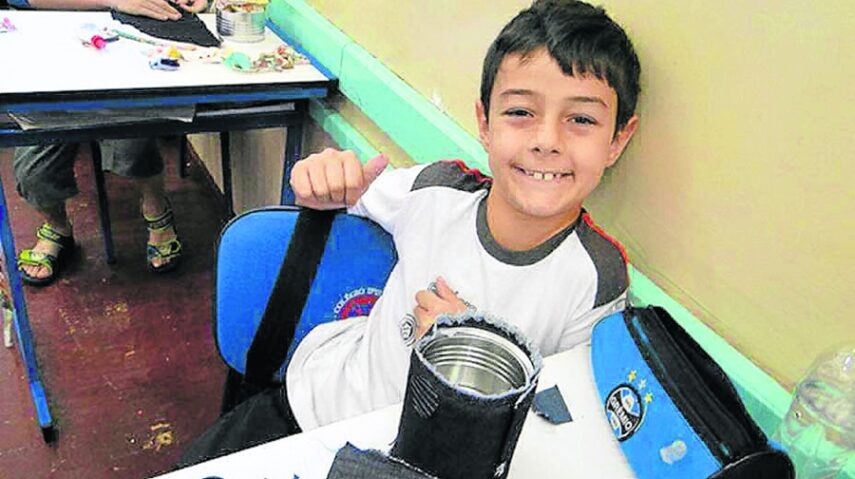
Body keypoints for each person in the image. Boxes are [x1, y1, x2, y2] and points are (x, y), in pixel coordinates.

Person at [180, 0, 641, 465]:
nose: (547, 141)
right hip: (313, 411)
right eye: (520, 111)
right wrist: (320, 179)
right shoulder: (436, 191)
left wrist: (471, 353)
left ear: (618, 140)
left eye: (582, 120)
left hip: (432, 460)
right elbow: (340, 194)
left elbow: (562, 415)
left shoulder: (596, 276)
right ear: (484, 123)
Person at [12, 0, 209, 285]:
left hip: (131, 45)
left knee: (134, 144)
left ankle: (156, 208)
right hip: (52, 51)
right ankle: (57, 227)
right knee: (34, 173)